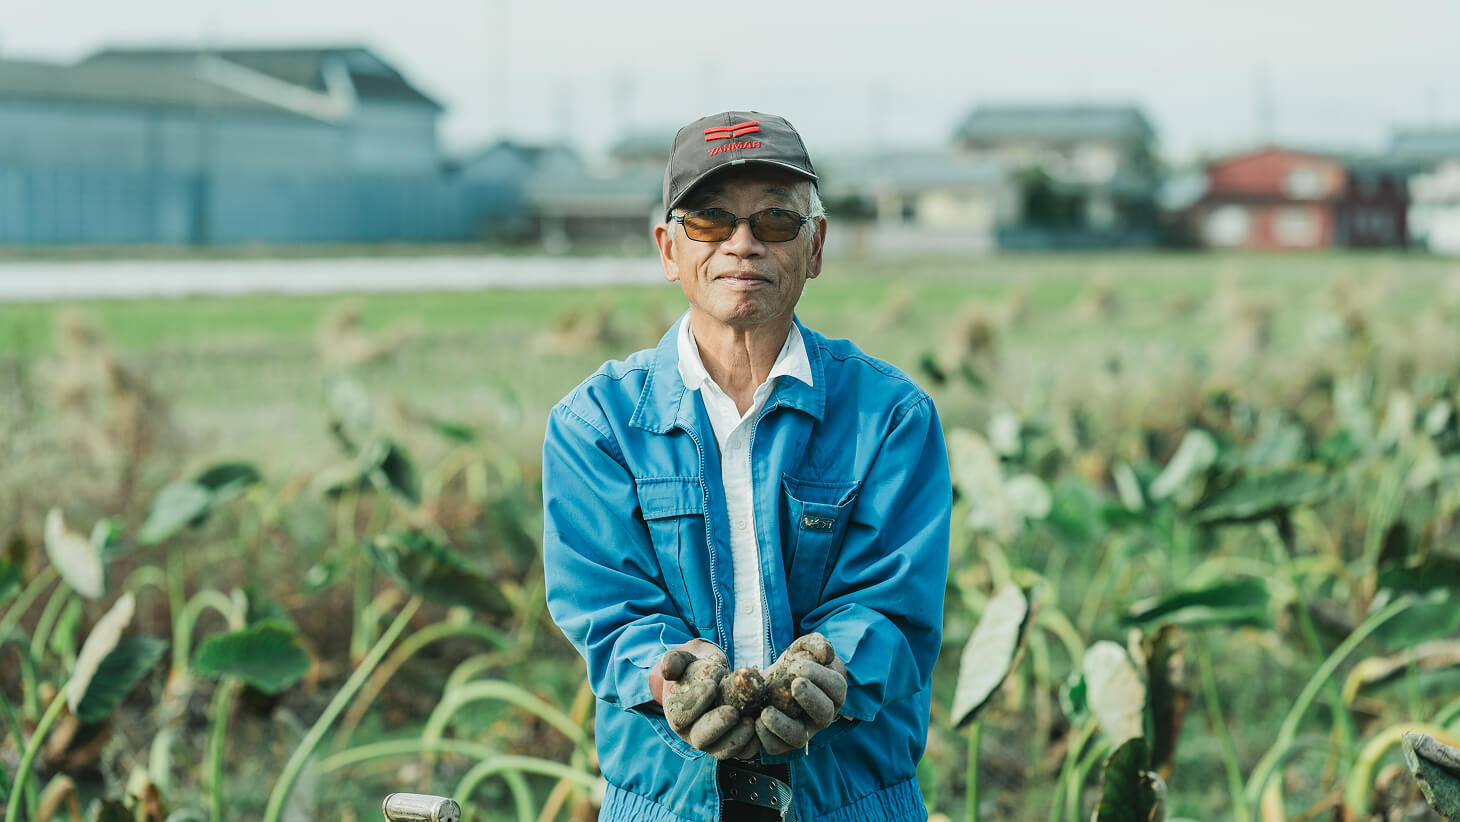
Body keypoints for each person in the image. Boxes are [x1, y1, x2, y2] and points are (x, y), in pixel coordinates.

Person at [542, 110, 951, 822]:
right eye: (710, 221)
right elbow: (607, 610)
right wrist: (672, 676)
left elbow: (892, 604)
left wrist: (834, 669)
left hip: (851, 798)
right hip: (667, 802)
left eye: (774, 221)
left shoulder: (889, 415)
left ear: (814, 245)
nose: (742, 244)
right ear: (669, 250)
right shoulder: (595, 423)